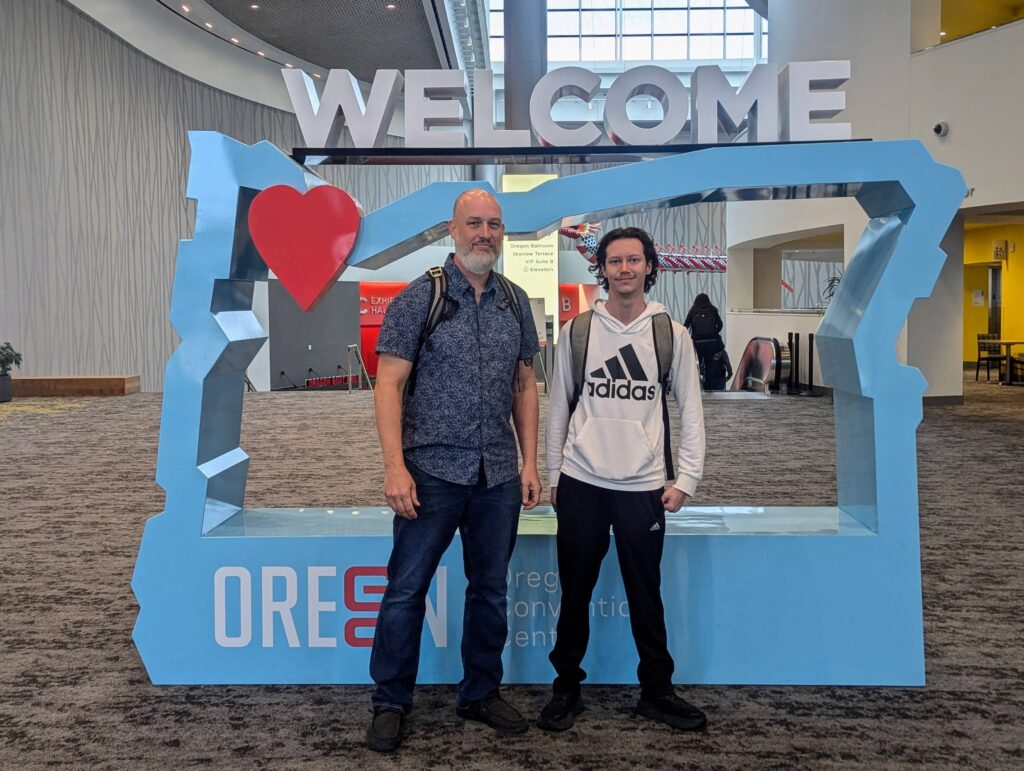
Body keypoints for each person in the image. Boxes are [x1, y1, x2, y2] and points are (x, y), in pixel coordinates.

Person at [366, 189, 541, 752]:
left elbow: (524, 385)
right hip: (431, 470)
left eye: (493, 223)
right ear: (452, 230)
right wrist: (395, 468)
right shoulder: (421, 298)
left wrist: (531, 460)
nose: (483, 233)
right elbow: (388, 385)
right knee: (405, 589)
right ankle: (391, 700)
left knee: (489, 590)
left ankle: (480, 692)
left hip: (497, 474)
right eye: (473, 223)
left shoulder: (515, 302)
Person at [540, 226, 707, 733]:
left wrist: (688, 478)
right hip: (582, 481)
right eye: (616, 261)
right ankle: (565, 687)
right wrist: (553, 473)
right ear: (603, 269)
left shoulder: (671, 335)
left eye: (634, 260)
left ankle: (657, 690)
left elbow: (692, 411)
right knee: (574, 592)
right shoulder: (578, 332)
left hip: (644, 487)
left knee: (645, 592)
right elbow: (558, 409)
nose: (625, 269)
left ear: (650, 267)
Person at [683, 292, 724, 386]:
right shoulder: (713, 309)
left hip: (698, 342)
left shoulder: (693, 310)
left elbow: (685, 326)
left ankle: (696, 385)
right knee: (709, 364)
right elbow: (720, 324)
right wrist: (714, 333)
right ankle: (708, 387)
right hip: (712, 342)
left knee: (696, 364)